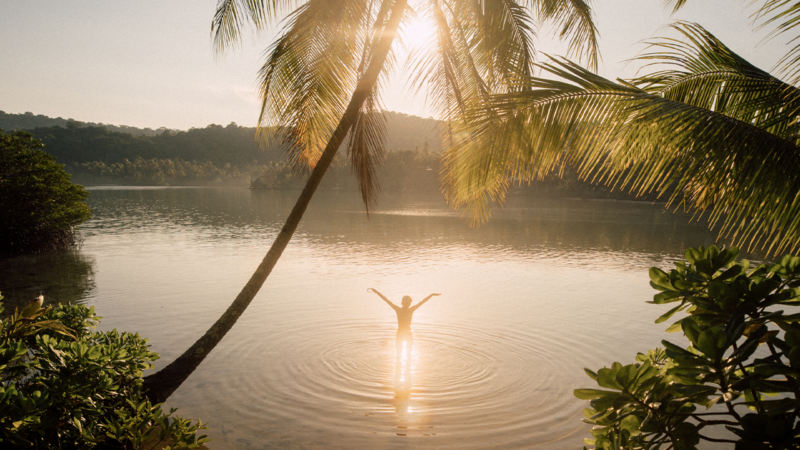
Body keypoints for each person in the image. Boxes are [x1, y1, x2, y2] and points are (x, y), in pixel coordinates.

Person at [368, 288, 440, 352]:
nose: (407, 304)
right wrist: (376, 292)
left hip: (404, 333)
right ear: (403, 302)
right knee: (403, 353)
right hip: (404, 333)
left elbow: (423, 301)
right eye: (407, 303)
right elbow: (386, 300)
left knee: (404, 354)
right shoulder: (405, 310)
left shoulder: (402, 310)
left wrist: (431, 295)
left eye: (408, 303)